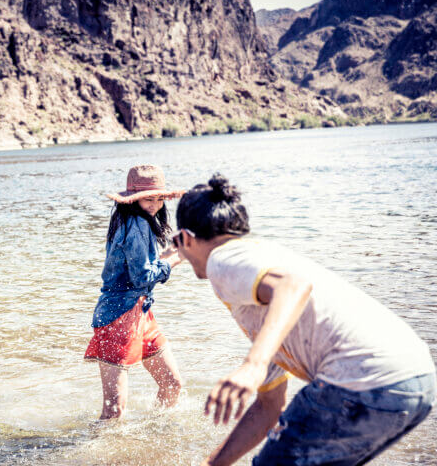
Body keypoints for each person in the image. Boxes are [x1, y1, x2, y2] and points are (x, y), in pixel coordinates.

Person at [172, 173, 436, 465]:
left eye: (178, 243)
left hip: (363, 379)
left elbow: (293, 286)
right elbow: (269, 407)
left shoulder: (222, 261)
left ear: (185, 238)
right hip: (416, 380)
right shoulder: (264, 295)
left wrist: (252, 366)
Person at [84, 164, 186, 419]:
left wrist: (170, 253)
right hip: (118, 316)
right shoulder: (136, 224)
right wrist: (175, 259)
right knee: (114, 410)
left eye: (159, 198)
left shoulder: (131, 221)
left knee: (172, 385)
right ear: (133, 200)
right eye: (147, 199)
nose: (154, 205)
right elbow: (142, 277)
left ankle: (155, 441)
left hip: (140, 312)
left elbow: (140, 267)